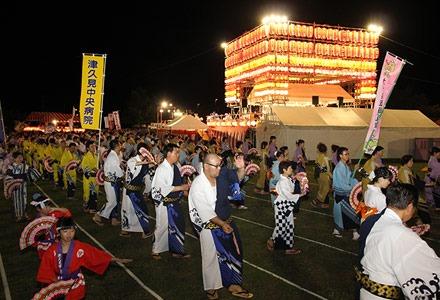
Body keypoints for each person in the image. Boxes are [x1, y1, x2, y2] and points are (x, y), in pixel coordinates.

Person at [358, 183, 440, 299]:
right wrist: (410, 236)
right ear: (410, 206)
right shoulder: (402, 235)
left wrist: (409, 233)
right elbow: (430, 269)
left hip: (367, 292)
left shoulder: (376, 220)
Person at [188, 153, 253, 299]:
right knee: (210, 257)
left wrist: (241, 168)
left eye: (220, 165)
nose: (219, 169)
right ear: (205, 166)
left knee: (235, 252)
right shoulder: (198, 186)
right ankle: (211, 288)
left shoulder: (221, 174)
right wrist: (222, 224)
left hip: (226, 221)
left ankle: (233, 284)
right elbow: (205, 212)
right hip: (209, 226)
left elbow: (237, 179)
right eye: (216, 166)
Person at [36, 217, 132, 300]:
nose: (69, 234)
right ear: (58, 232)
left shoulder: (80, 247)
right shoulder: (51, 251)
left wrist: (114, 259)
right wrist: (56, 283)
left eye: (72, 231)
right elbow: (46, 270)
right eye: (65, 231)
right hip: (57, 285)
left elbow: (95, 255)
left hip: (75, 284)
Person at [151, 143, 191, 259]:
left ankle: (176, 249)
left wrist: (185, 191)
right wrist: (182, 188)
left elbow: (177, 182)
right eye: (176, 152)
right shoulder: (162, 169)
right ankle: (156, 249)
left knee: (178, 225)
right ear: (168, 153)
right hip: (164, 202)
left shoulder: (175, 166)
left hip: (173, 201)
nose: (178, 155)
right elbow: (162, 188)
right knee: (162, 225)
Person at [267, 161, 303, 255]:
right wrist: (300, 194)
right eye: (290, 168)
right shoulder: (283, 182)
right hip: (281, 207)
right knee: (282, 227)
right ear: (284, 170)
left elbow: (291, 184)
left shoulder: (286, 178)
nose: (292, 170)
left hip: (287, 207)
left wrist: (295, 178)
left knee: (289, 226)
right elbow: (288, 195)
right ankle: (277, 245)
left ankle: (287, 246)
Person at [120, 143, 154, 238]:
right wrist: (146, 163)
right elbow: (131, 164)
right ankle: (128, 230)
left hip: (137, 190)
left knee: (136, 210)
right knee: (130, 209)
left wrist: (155, 163)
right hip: (130, 190)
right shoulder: (133, 160)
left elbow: (144, 169)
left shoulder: (143, 161)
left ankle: (138, 230)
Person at [29, 193, 72, 259]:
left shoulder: (53, 214)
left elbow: (67, 213)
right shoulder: (36, 223)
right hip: (45, 249)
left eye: (49, 206)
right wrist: (41, 236)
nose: (48, 208)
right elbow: (32, 242)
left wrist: (55, 209)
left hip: (57, 244)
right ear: (38, 209)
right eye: (46, 207)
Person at [93, 139, 123, 226]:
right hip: (111, 182)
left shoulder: (113, 155)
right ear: (117, 146)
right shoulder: (113, 156)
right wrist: (123, 176)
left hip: (112, 182)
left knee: (113, 201)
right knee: (112, 202)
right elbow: (117, 171)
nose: (121, 146)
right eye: (120, 144)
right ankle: (98, 215)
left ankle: (109, 217)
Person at [332, 147, 360, 240]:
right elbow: (342, 184)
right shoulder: (339, 168)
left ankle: (339, 230)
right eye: (345, 154)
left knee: (342, 214)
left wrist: (354, 170)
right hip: (342, 195)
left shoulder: (345, 166)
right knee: (351, 213)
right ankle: (354, 232)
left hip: (344, 194)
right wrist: (353, 188)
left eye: (348, 153)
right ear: (340, 156)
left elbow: (349, 179)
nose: (348, 155)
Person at [6, 151, 30, 222]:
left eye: (21, 157)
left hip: (23, 186)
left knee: (24, 200)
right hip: (15, 188)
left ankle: (25, 214)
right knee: (17, 201)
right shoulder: (11, 166)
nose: (20, 159)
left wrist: (17, 176)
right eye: (18, 157)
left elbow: (27, 176)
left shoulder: (25, 166)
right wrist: (19, 177)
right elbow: (9, 175)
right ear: (14, 158)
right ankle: (18, 215)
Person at [81, 141, 98, 213]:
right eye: (92, 146)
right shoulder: (86, 157)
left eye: (94, 146)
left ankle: (92, 208)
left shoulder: (96, 155)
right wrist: (95, 169)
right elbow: (85, 167)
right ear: (88, 148)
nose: (94, 147)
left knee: (94, 193)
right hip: (89, 178)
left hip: (94, 178)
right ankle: (87, 206)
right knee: (88, 193)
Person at [312, 143, 332, 208]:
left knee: (321, 189)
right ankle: (320, 202)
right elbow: (328, 170)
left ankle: (318, 201)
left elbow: (316, 167)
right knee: (326, 189)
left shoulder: (318, 157)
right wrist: (332, 177)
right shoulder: (326, 158)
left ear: (318, 150)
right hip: (325, 176)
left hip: (319, 176)